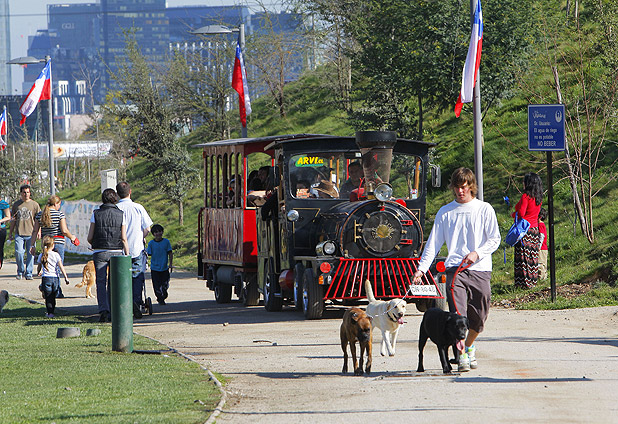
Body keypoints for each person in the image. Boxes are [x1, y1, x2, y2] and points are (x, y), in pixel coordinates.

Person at [412, 168, 501, 372]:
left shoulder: (484, 209)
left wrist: (477, 253)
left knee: (479, 316)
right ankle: (461, 356)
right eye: (457, 187)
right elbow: (433, 244)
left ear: (471, 187)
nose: (460, 191)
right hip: (455, 270)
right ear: (452, 188)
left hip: (480, 269)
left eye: (464, 187)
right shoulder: (445, 212)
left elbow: (495, 239)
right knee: (457, 316)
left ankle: (468, 346)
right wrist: (421, 270)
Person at [87, 188, 129, 323]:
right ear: (115, 198)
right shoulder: (121, 214)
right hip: (116, 251)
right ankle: (113, 310)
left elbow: (89, 237)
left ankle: (103, 310)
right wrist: (127, 254)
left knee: (100, 281)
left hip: (99, 251)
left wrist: (94, 243)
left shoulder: (96, 213)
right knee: (113, 282)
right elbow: (123, 238)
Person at [116, 181, 153, 318]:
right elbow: (147, 228)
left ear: (117, 193)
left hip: (120, 251)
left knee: (121, 278)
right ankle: (137, 302)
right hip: (137, 248)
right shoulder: (138, 208)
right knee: (137, 277)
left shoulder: (116, 208)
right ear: (130, 191)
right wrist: (140, 237)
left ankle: (123, 303)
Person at [30, 195, 79, 298]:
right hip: (58, 243)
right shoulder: (59, 214)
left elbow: (35, 231)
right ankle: (57, 291)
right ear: (56, 204)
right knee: (57, 267)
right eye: (59, 204)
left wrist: (32, 245)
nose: (59, 207)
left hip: (46, 243)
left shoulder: (40, 215)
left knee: (47, 266)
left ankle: (46, 286)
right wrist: (72, 237)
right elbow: (64, 231)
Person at [512, 172, 543, 289]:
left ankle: (523, 283)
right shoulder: (538, 197)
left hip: (525, 230)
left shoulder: (526, 197)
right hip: (535, 230)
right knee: (532, 256)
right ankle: (532, 281)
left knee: (522, 257)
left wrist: (513, 214)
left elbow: (521, 213)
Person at [8, 184, 41, 280]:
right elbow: (13, 220)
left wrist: (39, 231)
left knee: (31, 253)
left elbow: (38, 219)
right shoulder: (16, 205)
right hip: (19, 233)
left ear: (30, 193)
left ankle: (29, 273)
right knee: (19, 252)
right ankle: (20, 270)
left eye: (27, 192)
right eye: (24, 192)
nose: (26, 194)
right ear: (21, 193)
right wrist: (10, 233)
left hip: (31, 233)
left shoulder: (35, 205)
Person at [36, 236, 70, 318]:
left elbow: (39, 266)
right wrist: (66, 277)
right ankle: (52, 311)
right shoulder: (56, 255)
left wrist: (38, 272)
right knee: (53, 297)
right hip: (55, 278)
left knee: (48, 298)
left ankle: (50, 312)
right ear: (53, 245)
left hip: (46, 278)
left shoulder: (42, 255)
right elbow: (61, 266)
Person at [146, 224, 173, 305]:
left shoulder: (166, 242)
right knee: (156, 285)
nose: (158, 234)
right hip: (154, 268)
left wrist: (170, 264)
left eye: (160, 231)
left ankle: (164, 294)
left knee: (165, 284)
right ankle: (160, 298)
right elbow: (148, 254)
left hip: (164, 267)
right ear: (153, 234)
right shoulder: (151, 243)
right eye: (156, 232)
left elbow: (170, 253)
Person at [538, 207, 548, 281]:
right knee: (544, 264)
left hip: (541, 248)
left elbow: (541, 235)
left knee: (540, 264)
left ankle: (541, 278)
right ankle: (544, 278)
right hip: (544, 248)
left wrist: (539, 246)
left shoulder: (540, 225)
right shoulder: (542, 225)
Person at [0, 197, 11, 269]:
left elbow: (8, 217)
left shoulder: (3, 204)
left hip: (1, 228)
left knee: (0, 247)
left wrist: (0, 221)